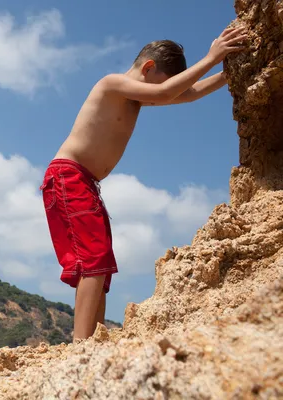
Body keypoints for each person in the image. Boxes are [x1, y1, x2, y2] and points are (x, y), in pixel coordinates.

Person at [39, 25, 247, 341]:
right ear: (148, 67)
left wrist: (227, 73)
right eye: (161, 81)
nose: (161, 91)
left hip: (84, 182)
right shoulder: (113, 84)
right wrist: (211, 57)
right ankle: (80, 348)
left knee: (101, 264)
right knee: (93, 260)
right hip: (69, 176)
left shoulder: (134, 97)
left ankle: (96, 339)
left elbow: (185, 93)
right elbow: (166, 92)